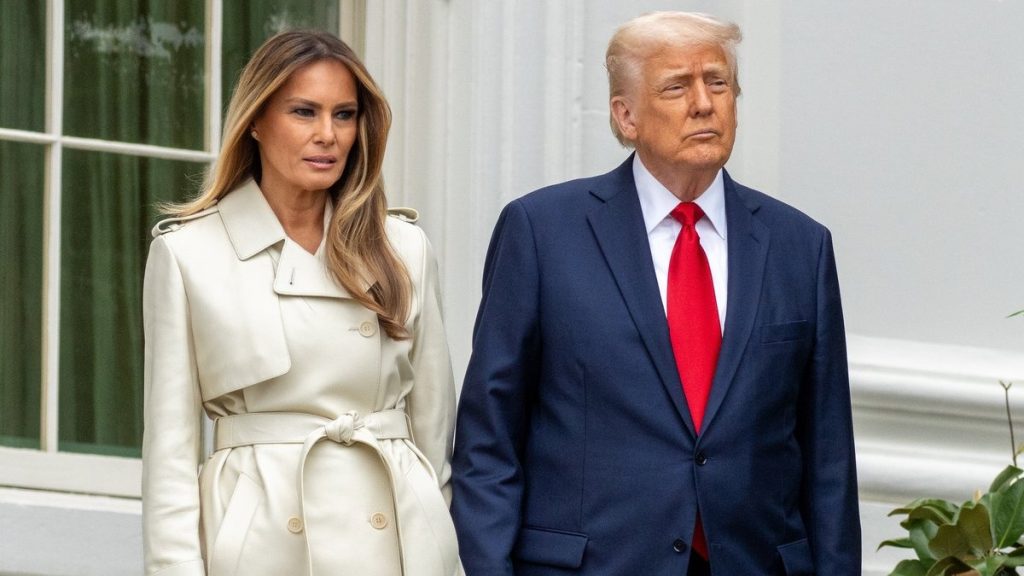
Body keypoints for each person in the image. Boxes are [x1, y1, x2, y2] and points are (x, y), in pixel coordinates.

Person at [451, 11, 860, 576]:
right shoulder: (542, 232)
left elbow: (828, 458)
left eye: (718, 82)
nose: (704, 104)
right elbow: (488, 439)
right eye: (676, 87)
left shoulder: (800, 245)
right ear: (626, 116)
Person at [142, 30, 460, 576]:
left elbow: (435, 436)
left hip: (393, 537)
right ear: (256, 122)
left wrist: (437, 540)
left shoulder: (404, 248)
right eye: (304, 112)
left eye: (344, 115)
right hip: (262, 541)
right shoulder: (188, 253)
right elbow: (170, 454)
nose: (327, 135)